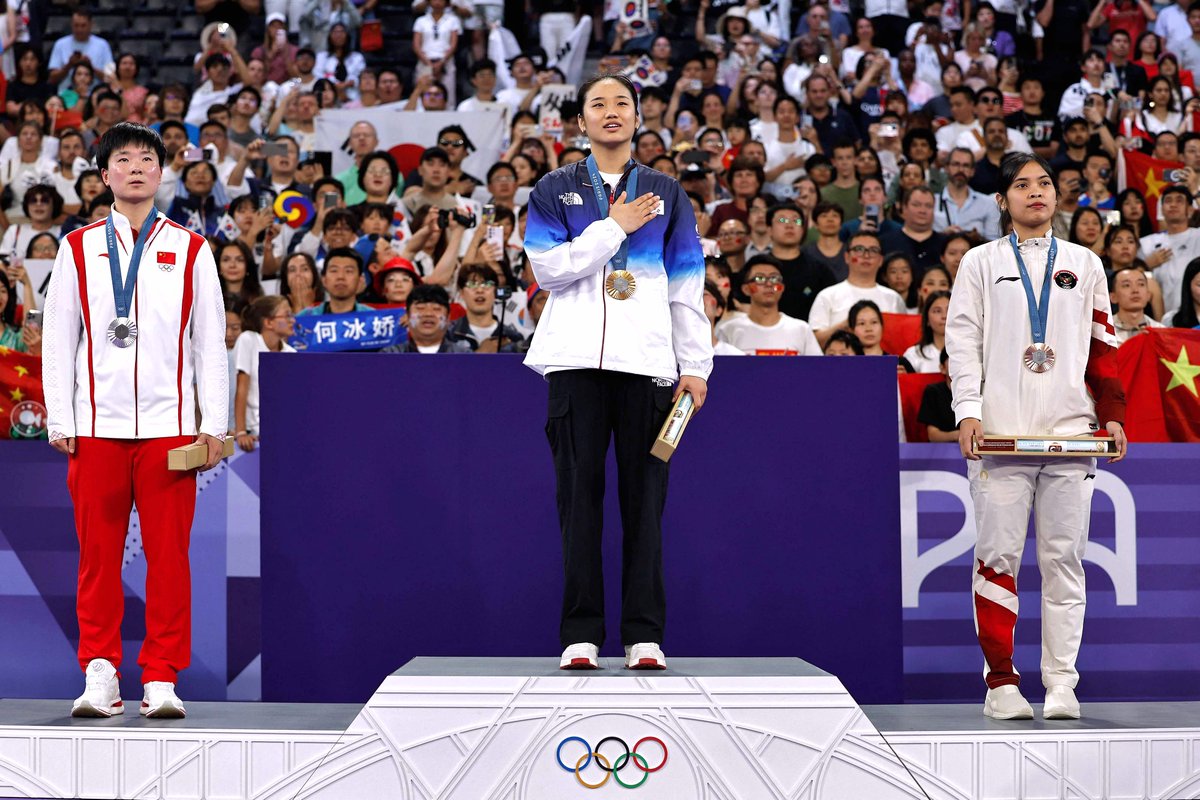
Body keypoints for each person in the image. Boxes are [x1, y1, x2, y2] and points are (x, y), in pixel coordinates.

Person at [522, 74, 711, 672]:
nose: (610, 113)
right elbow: (548, 271)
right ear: (580, 121)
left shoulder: (668, 192)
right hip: (575, 365)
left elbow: (687, 286)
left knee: (645, 504)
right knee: (577, 502)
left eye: (621, 104)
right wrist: (614, 227)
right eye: (597, 104)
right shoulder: (555, 189)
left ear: (637, 118)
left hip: (650, 368)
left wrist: (696, 366)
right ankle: (580, 634)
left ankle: (643, 635)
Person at [41, 122, 228, 719]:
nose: (138, 167)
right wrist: (59, 417)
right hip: (96, 426)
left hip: (172, 428)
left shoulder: (191, 248)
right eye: (124, 158)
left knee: (169, 556)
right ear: (105, 174)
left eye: (148, 158)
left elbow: (210, 346)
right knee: (98, 556)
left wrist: (216, 424)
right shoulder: (76, 248)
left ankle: (162, 676)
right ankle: (100, 671)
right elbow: (57, 339)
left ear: (162, 170)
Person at [947, 152, 1127, 722]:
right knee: (998, 558)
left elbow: (1103, 346)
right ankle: (1001, 682)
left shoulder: (1085, 263)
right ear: (1002, 201)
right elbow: (963, 341)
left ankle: (1061, 684)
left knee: (1064, 560)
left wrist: (1114, 412)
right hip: (1000, 434)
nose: (1036, 193)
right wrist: (968, 411)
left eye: (1044, 183)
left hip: (1072, 434)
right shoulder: (978, 262)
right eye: (1021, 185)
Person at [809, 230, 907, 345]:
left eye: (873, 250)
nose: (866, 255)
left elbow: (902, 340)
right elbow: (814, 342)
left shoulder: (894, 298)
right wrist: (846, 325)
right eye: (859, 249)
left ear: (881, 260)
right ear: (846, 257)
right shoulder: (827, 295)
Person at [716, 256, 821, 355]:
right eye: (760, 279)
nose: (769, 284)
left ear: (782, 288)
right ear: (746, 289)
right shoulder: (728, 330)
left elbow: (817, 369)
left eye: (774, 278)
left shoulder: (801, 329)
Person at [232, 295, 295, 452]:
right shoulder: (248, 340)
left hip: (282, 432)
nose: (292, 320)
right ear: (268, 322)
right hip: (252, 434)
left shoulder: (292, 353)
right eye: (287, 315)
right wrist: (241, 432)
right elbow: (242, 388)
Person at [1137, 185, 1200, 319]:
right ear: (1161, 209)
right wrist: (1146, 264)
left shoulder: (1198, 237)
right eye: (1168, 201)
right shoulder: (1146, 243)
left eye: (1179, 200)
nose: (1173, 205)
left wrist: (1196, 192)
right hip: (1161, 318)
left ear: (1190, 209)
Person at [380, 284, 471, 353]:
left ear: (448, 318)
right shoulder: (390, 355)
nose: (428, 314)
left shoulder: (464, 356)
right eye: (420, 308)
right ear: (407, 316)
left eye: (436, 309)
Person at [1110, 267, 1164, 342]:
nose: (1135, 290)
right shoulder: (1105, 332)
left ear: (1148, 295)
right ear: (1113, 297)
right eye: (1127, 285)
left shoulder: (1161, 331)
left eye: (1141, 284)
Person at [904, 289, 951, 370]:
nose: (944, 316)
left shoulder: (969, 352)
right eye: (937, 311)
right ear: (927, 320)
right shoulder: (914, 354)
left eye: (949, 310)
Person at [918, 349, 959, 441]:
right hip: (943, 451)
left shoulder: (978, 390)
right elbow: (933, 435)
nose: (958, 364)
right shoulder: (933, 392)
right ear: (942, 368)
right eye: (953, 360)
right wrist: (959, 435)